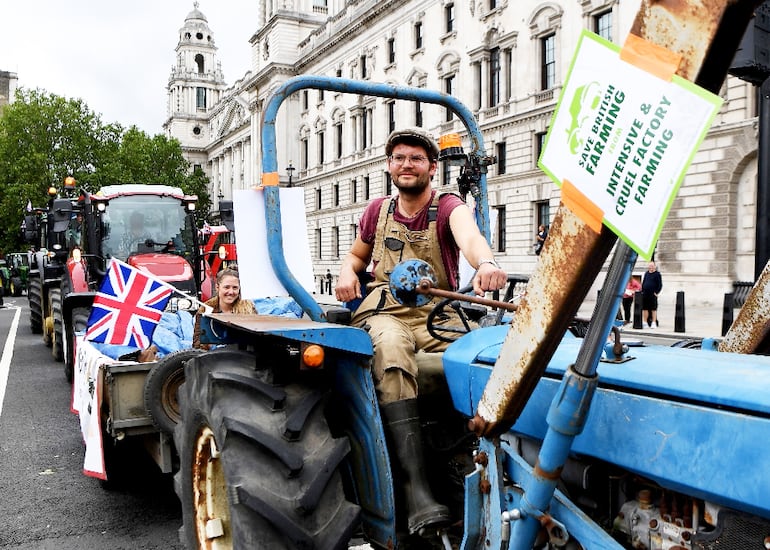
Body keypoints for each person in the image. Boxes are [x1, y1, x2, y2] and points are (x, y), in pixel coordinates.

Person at [335, 127, 507, 536]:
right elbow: (358, 256)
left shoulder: (448, 206)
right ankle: (415, 491)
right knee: (393, 352)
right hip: (385, 312)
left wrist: (484, 264)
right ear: (389, 166)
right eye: (398, 158)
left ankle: (480, 458)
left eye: (415, 158)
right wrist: (346, 273)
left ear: (432, 166)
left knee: (482, 357)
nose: (406, 165)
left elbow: (471, 238)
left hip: (437, 311)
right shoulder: (377, 212)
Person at [193, 268, 257, 349]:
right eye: (226, 287)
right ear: (217, 287)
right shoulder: (205, 309)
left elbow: (255, 342)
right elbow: (197, 344)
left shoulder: (249, 309)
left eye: (235, 288)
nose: (231, 292)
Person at [642, 261, 663, 328]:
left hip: (653, 294)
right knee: (645, 308)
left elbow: (660, 285)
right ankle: (645, 322)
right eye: (649, 266)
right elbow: (644, 282)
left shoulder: (657, 274)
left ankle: (653, 322)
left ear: (654, 266)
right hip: (645, 294)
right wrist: (642, 290)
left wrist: (656, 292)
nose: (650, 267)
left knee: (653, 309)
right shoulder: (646, 273)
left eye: (652, 266)